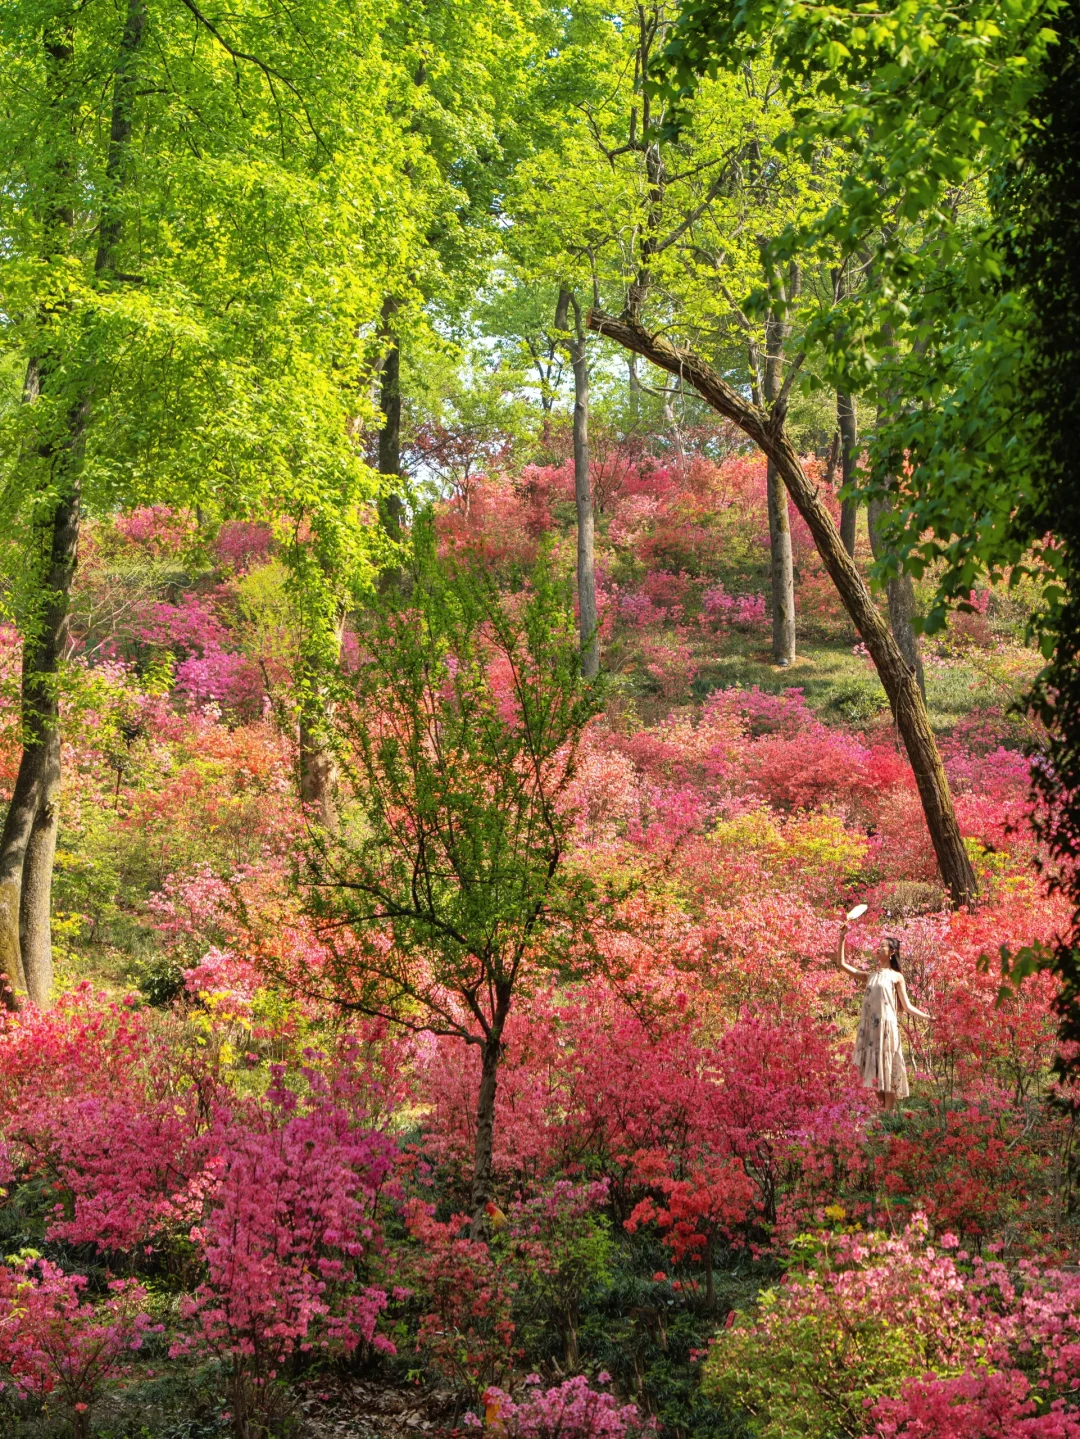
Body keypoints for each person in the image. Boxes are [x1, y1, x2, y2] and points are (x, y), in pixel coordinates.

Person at [835, 923, 931, 1112]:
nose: (878, 949)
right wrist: (842, 939)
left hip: (887, 1028)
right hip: (870, 1029)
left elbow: (907, 1006)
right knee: (874, 1071)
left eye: (882, 946)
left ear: (892, 952)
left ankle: (889, 1113)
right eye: (878, 946)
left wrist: (928, 1017)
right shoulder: (870, 975)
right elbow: (842, 965)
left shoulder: (896, 977)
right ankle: (881, 1114)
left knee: (888, 1068)